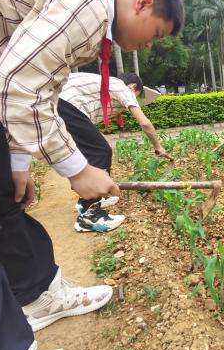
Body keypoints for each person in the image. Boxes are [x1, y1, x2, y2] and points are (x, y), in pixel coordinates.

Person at [0, 0, 184, 350]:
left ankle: (38, 296)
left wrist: (18, 164)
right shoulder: (87, 4)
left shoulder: (85, 15)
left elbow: (29, 89)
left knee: (2, 198)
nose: (148, 47)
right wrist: (78, 171)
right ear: (143, 5)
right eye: (156, 35)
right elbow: (18, 86)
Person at [59, 72, 169, 232]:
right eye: (137, 96)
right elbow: (144, 123)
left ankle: (88, 200)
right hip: (64, 104)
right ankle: (90, 216)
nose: (135, 100)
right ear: (133, 87)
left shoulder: (105, 85)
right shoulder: (122, 87)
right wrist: (159, 147)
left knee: (92, 153)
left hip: (54, 102)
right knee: (101, 152)